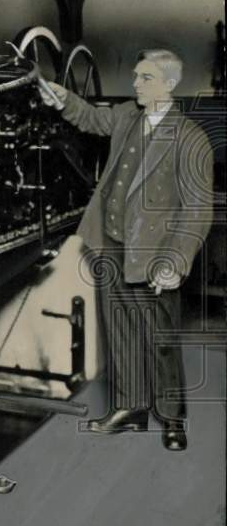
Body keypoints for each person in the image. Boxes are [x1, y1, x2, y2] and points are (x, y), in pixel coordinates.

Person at [40, 49, 213, 451]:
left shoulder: (190, 138)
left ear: (168, 84)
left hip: (155, 255)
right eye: (136, 76)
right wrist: (62, 97)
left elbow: (198, 209)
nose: (135, 83)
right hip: (111, 243)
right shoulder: (124, 116)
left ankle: (172, 418)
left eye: (145, 78)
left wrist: (176, 260)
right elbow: (88, 117)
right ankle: (129, 408)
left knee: (161, 338)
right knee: (118, 329)